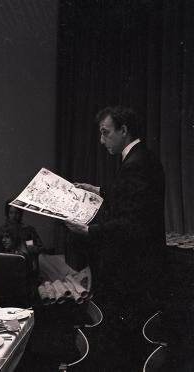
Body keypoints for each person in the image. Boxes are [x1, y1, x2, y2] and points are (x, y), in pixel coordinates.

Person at [65, 106, 166, 371]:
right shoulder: (142, 158)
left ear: (123, 130)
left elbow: (134, 222)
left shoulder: (135, 163)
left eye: (105, 133)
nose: (101, 140)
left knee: (122, 344)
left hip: (132, 272)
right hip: (143, 269)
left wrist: (89, 231)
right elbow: (132, 197)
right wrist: (98, 190)